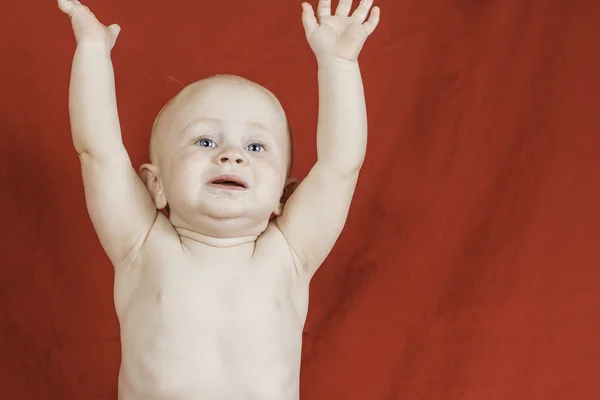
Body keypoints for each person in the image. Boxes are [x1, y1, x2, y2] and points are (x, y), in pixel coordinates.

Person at [57, 0, 380, 398]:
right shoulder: (140, 246)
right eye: (205, 140)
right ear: (155, 184)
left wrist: (339, 65)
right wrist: (91, 50)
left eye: (257, 146)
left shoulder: (290, 254)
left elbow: (340, 165)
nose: (232, 155)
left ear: (284, 194)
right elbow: (98, 151)